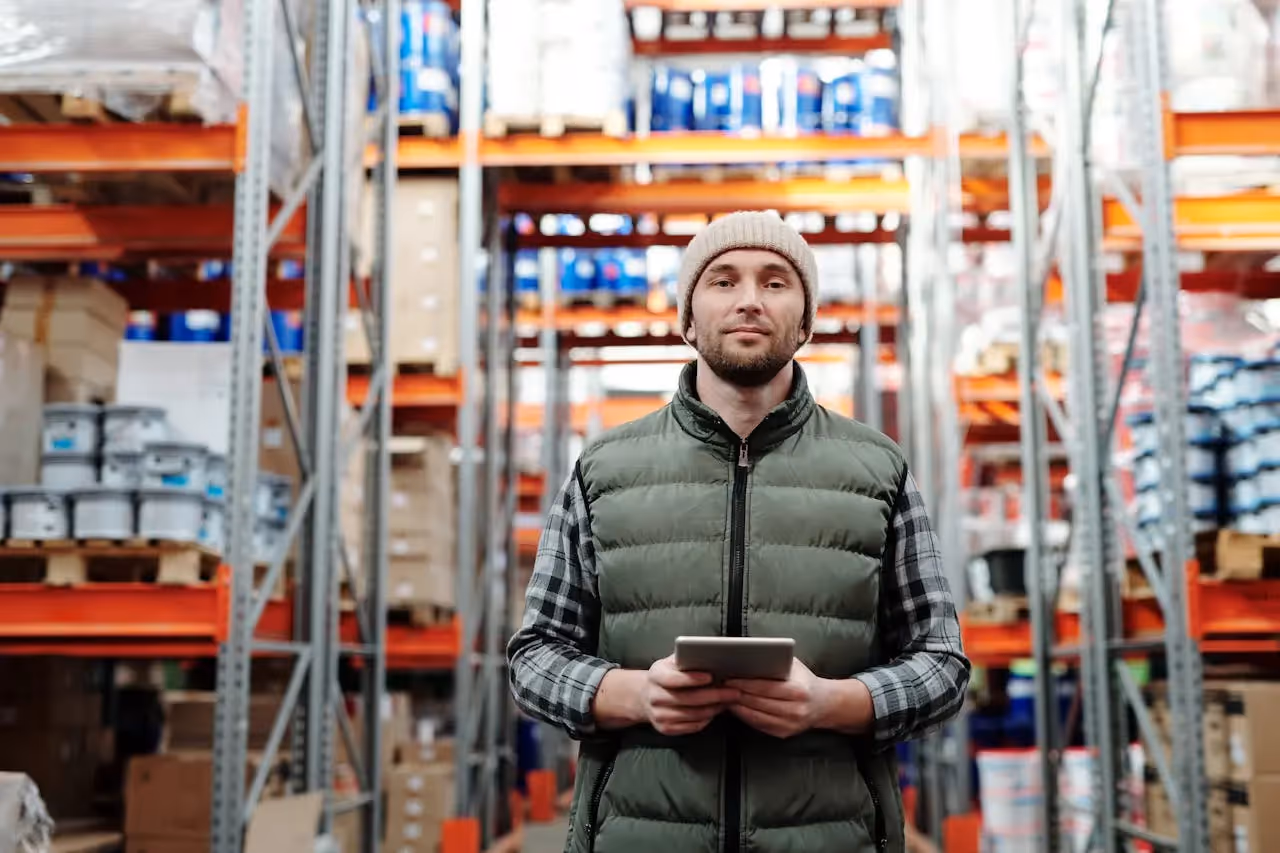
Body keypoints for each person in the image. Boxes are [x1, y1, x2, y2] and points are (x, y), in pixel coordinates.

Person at [507, 211, 971, 853]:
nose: (750, 300)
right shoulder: (602, 471)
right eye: (723, 281)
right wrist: (637, 695)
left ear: (805, 321)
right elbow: (534, 658)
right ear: (688, 318)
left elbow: (942, 663)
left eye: (776, 282)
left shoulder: (877, 470)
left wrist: (831, 703)